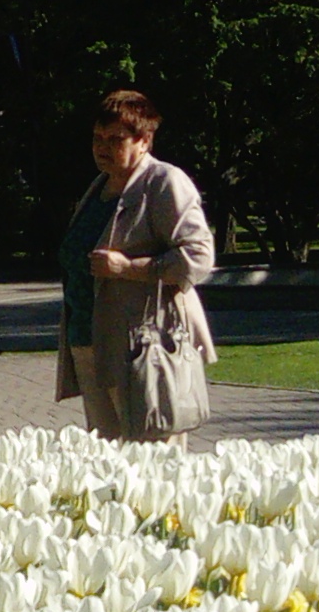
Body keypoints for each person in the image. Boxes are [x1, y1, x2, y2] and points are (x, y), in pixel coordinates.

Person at [54, 89, 215, 444]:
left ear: (144, 140)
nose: (102, 147)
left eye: (115, 139)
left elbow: (198, 257)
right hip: (90, 343)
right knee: (108, 461)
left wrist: (128, 267)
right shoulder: (99, 187)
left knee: (153, 460)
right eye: (97, 138)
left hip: (144, 350)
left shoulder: (163, 182)